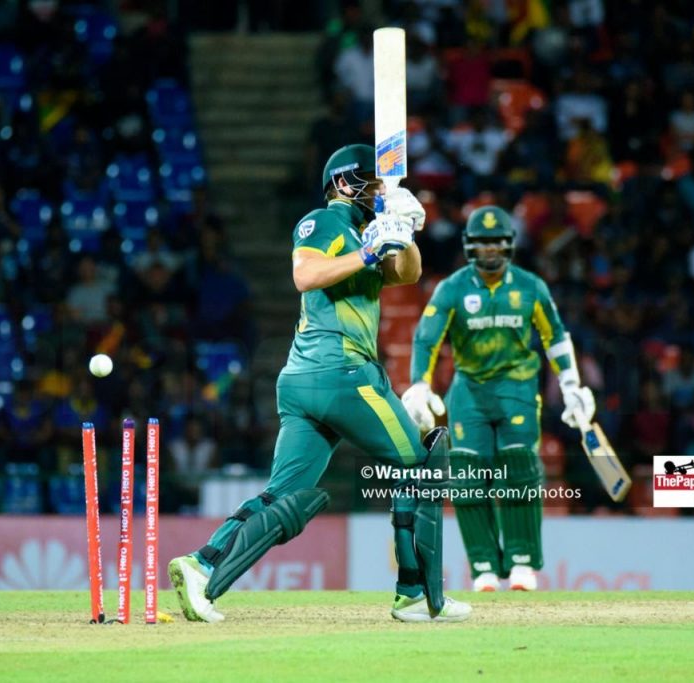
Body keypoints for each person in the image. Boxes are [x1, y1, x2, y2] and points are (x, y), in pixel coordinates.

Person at [167, 144, 471, 624]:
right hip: (342, 373)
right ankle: (415, 594)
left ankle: (202, 566)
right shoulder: (325, 221)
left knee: (282, 494)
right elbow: (305, 274)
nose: (380, 190)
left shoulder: (364, 230)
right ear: (345, 183)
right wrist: (369, 250)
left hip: (305, 381)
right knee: (421, 465)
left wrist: (405, 230)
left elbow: (406, 276)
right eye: (373, 182)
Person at [401, 205, 596, 592]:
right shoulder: (452, 288)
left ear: (509, 245)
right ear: (469, 246)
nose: (489, 249)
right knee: (468, 479)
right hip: (469, 391)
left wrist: (571, 385)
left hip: (517, 388)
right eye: (482, 243)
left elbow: (555, 336)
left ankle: (522, 561)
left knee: (519, 468)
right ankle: (484, 567)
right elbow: (426, 338)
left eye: (496, 242)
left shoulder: (530, 286)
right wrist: (420, 384)